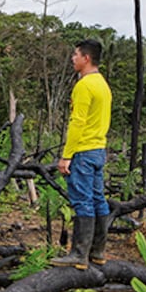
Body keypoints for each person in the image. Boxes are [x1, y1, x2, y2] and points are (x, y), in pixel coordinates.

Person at [52, 38, 113, 270]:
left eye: (76, 55)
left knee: (82, 201)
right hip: (99, 149)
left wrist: (66, 155)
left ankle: (79, 254)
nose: (72, 58)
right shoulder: (103, 85)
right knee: (99, 199)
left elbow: (77, 123)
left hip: (83, 152)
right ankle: (98, 251)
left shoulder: (84, 86)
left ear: (86, 58)